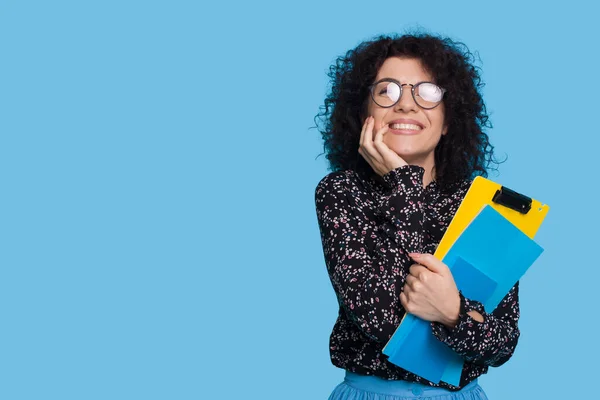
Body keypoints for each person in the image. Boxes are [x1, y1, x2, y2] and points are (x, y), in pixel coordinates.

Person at [314, 33, 519, 400]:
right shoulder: (341, 192)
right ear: (363, 115)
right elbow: (384, 323)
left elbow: (502, 344)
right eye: (387, 92)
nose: (406, 106)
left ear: (447, 121)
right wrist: (402, 184)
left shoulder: (486, 206)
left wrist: (452, 311)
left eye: (426, 93)